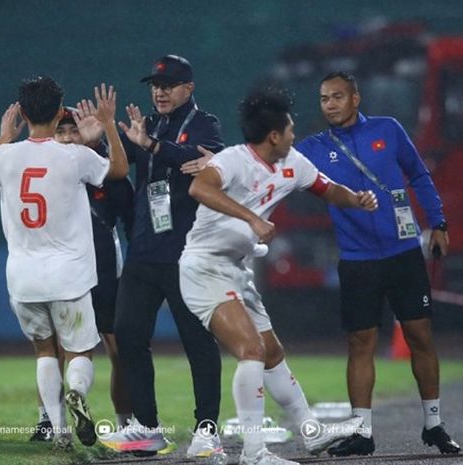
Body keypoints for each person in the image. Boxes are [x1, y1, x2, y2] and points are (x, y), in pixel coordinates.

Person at [179, 87, 376, 465]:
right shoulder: (233, 159)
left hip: (237, 270)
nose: (293, 134)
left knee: (271, 354)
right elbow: (199, 186)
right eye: (289, 129)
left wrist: (356, 198)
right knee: (251, 351)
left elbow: (326, 188)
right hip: (204, 268)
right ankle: (254, 454)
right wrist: (251, 217)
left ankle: (310, 432)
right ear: (273, 136)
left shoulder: (293, 162)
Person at [296, 71, 460, 457]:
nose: (330, 104)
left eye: (337, 96)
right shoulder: (314, 147)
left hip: (403, 254)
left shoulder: (388, 129)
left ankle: (434, 425)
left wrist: (438, 223)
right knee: (360, 344)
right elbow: (269, 161)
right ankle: (362, 432)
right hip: (357, 261)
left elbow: (419, 174)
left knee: (420, 337)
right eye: (323, 98)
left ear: (356, 98)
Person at [0, 78, 128, 450]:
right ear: (60, 113)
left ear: (21, 113)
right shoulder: (74, 155)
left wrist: (3, 137)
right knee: (79, 352)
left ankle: (59, 433)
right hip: (69, 276)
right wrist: (106, 126)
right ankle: (76, 393)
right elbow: (118, 170)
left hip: (23, 278)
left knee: (44, 352)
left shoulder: (5, 157)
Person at [99, 54, 224, 458]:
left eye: (168, 84)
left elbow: (199, 166)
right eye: (155, 85)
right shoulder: (145, 126)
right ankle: (147, 429)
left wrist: (151, 145)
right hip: (145, 251)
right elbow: (117, 171)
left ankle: (207, 428)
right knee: (129, 335)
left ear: (189, 88)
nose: (159, 91)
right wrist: (102, 135)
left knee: (197, 342)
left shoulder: (206, 125)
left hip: (187, 253)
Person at [29, 103, 134, 441]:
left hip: (105, 272)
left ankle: (125, 424)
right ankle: (50, 421)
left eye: (73, 130)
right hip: (64, 273)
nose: (68, 137)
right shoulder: (43, 172)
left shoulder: (106, 173)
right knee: (58, 348)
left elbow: (132, 224)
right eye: (61, 131)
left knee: (120, 350)